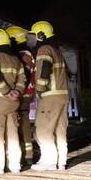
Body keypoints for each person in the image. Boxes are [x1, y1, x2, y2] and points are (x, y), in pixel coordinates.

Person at [0, 29, 27, 174]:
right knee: (13, 134)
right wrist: (17, 92)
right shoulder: (16, 59)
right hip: (13, 103)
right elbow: (23, 79)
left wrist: (6, 92)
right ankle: (15, 165)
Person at [29, 21, 69, 170]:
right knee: (60, 129)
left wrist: (39, 88)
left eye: (33, 35)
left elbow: (45, 67)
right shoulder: (57, 50)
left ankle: (49, 161)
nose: (31, 39)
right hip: (62, 96)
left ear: (40, 35)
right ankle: (61, 161)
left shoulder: (44, 49)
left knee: (43, 129)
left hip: (50, 96)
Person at [7, 26, 38, 166]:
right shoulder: (29, 54)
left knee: (20, 124)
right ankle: (28, 154)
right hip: (28, 94)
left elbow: (22, 77)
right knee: (23, 122)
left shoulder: (22, 56)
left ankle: (24, 155)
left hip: (22, 95)